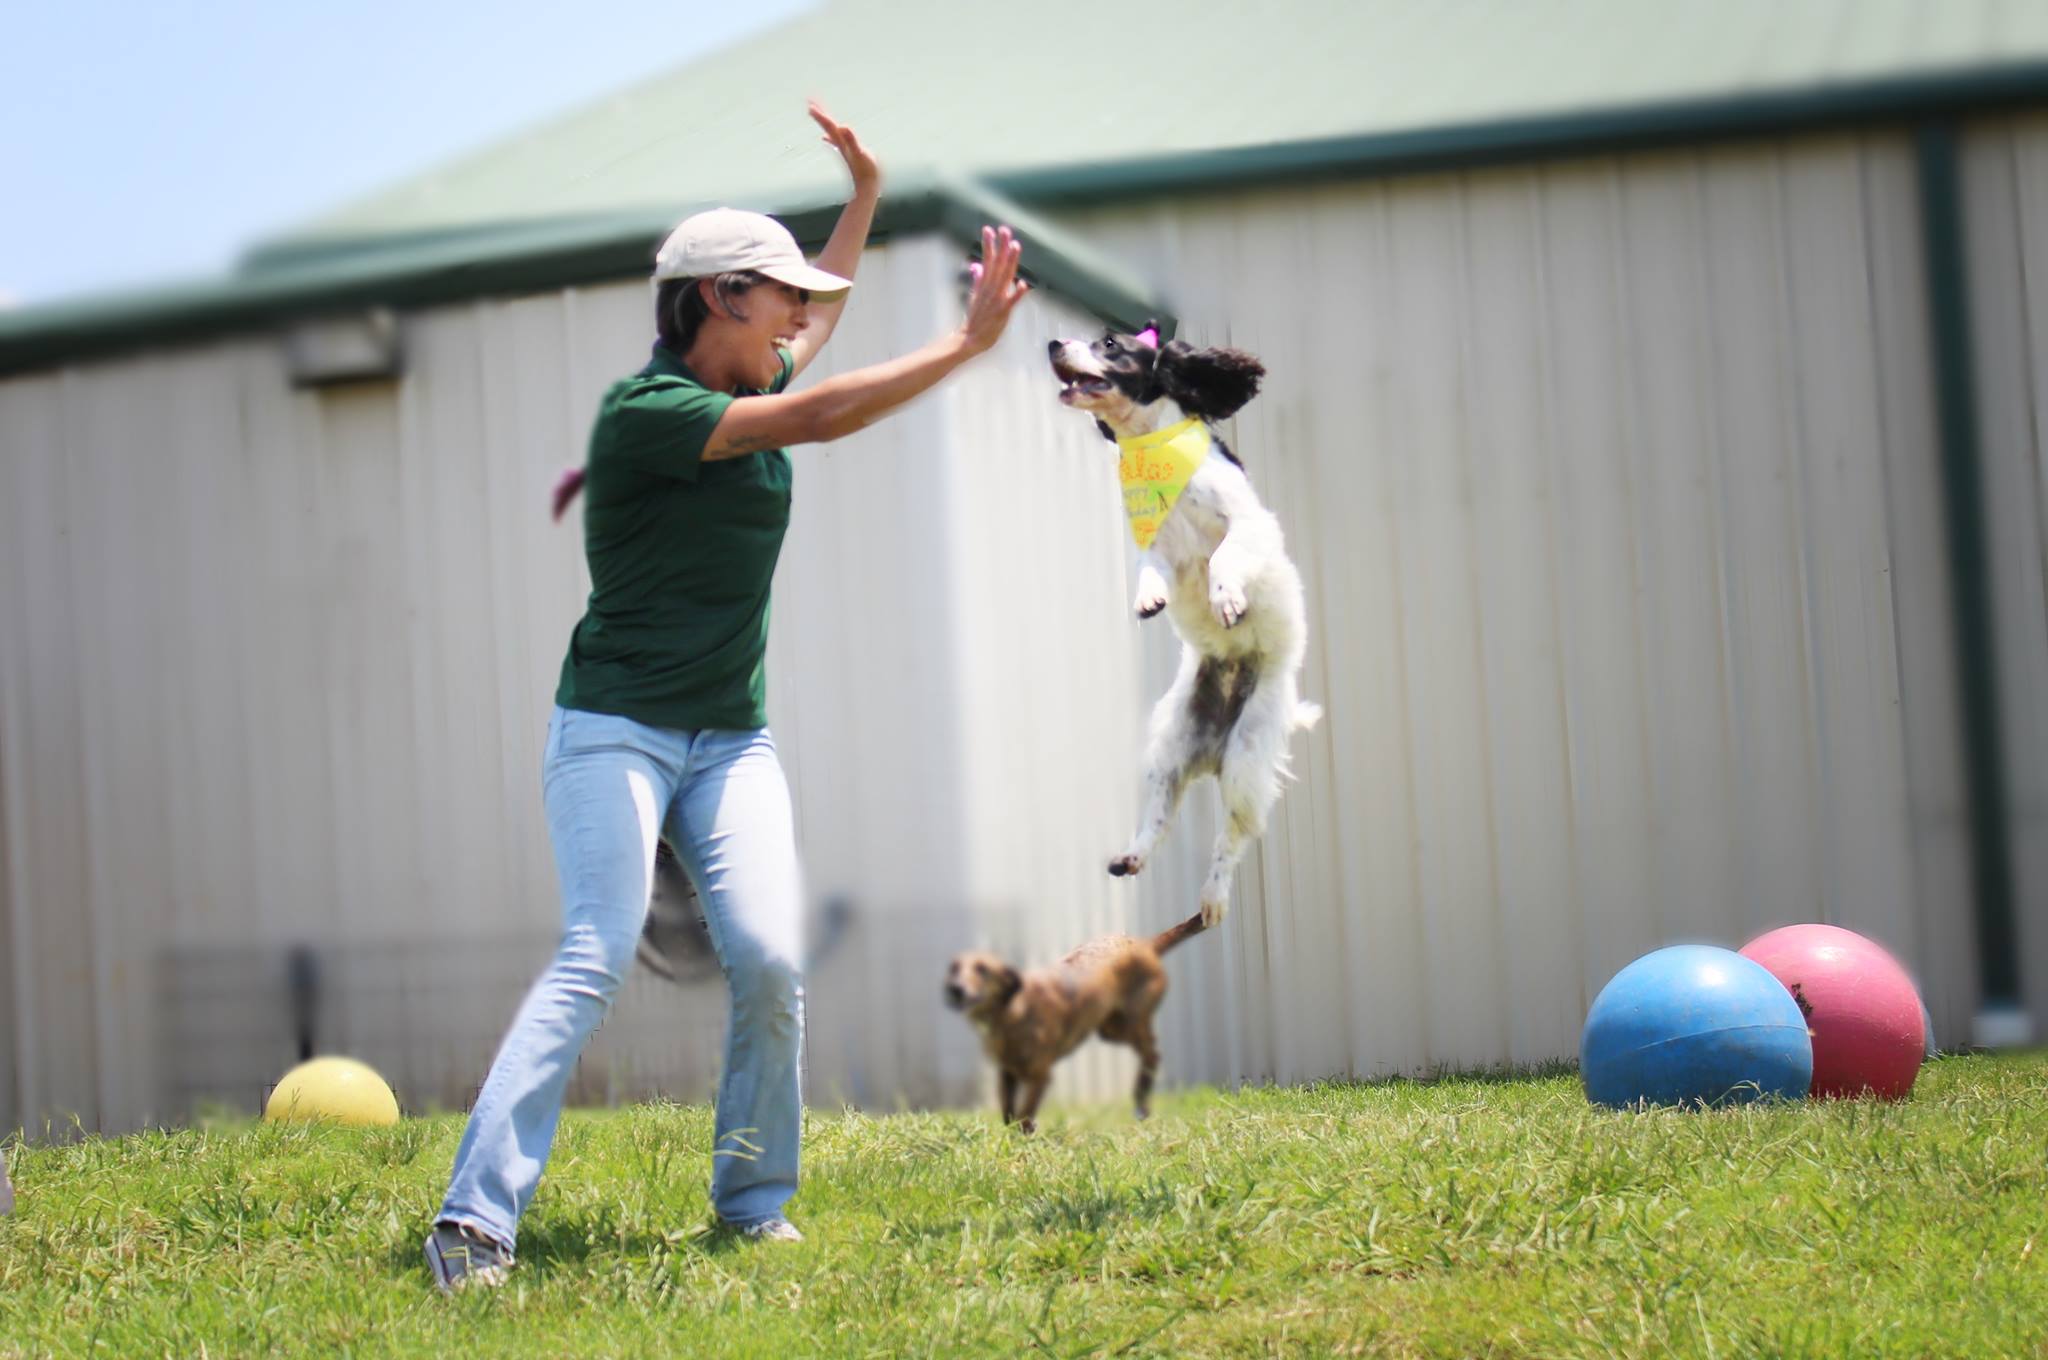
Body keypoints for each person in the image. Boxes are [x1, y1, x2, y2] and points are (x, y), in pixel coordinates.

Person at [424, 101, 1030, 1292]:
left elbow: (823, 327)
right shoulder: (651, 416)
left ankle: (752, 1200)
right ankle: (472, 1221)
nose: (803, 318)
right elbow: (823, 412)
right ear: (717, 299)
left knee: (765, 954)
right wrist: (962, 350)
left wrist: (864, 193)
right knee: (597, 948)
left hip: (729, 742)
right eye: (780, 297)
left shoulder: (750, 362)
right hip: (611, 729)